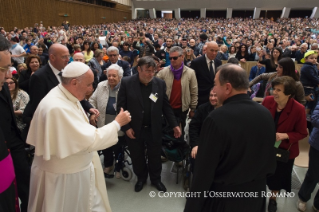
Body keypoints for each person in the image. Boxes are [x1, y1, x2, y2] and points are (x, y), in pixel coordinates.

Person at [26, 62, 131, 212]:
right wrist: (117, 123)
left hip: (75, 171)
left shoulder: (63, 95)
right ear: (74, 82)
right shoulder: (57, 107)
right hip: (64, 179)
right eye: (88, 85)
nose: (91, 89)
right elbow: (91, 140)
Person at [184, 64, 276, 212]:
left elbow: (204, 173)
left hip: (224, 199)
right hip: (256, 196)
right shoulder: (265, 113)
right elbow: (270, 157)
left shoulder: (216, 118)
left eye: (215, 84)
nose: (214, 90)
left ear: (227, 87)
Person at [117, 56, 181, 193]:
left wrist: (174, 124)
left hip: (154, 128)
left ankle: (156, 179)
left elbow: (166, 107)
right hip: (134, 129)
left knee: (155, 156)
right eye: (147, 71)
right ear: (138, 69)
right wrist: (126, 128)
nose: (151, 74)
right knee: (137, 156)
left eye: (153, 71)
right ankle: (141, 178)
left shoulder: (159, 84)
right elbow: (120, 108)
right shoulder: (127, 83)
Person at [22, 44, 97, 140]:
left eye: (68, 56)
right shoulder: (39, 77)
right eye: (64, 57)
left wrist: (89, 108)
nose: (67, 59)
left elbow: (73, 94)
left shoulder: (66, 71)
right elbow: (38, 105)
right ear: (52, 57)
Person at [262, 76, 308, 212]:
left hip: (283, 151)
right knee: (260, 174)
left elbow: (302, 133)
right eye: (274, 89)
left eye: (278, 90)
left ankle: (273, 199)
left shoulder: (298, 109)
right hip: (265, 148)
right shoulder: (267, 101)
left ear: (288, 93)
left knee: (278, 177)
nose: (274, 92)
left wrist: (285, 135)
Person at [0, 35, 30, 212]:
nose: (7, 76)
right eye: (3, 69)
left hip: (13, 146)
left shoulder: (3, 85)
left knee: (24, 187)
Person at [89, 64, 125, 179]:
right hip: (104, 121)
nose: (111, 78)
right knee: (106, 146)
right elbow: (92, 100)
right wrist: (93, 113)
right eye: (109, 75)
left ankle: (119, 165)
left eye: (114, 76)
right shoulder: (101, 85)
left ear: (120, 77)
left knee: (118, 145)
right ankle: (108, 165)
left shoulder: (125, 87)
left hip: (119, 123)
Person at [157, 46, 198, 137]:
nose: (172, 60)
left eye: (175, 58)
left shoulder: (190, 73)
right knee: (166, 134)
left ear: (182, 57)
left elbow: (194, 92)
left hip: (182, 109)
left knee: (180, 134)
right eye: (170, 58)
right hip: (166, 109)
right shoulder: (163, 72)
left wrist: (193, 108)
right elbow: (154, 91)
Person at [297, 98, 319, 212]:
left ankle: (317, 204)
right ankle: (303, 197)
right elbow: (314, 119)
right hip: (317, 145)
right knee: (313, 174)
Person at [189, 87, 221, 160]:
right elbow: (193, 127)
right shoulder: (202, 109)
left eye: (215, 95)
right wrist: (195, 145)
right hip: (202, 143)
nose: (212, 98)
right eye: (211, 95)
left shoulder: (226, 110)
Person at [190, 41, 222, 107]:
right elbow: (192, 83)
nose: (214, 53)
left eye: (216, 51)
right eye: (212, 50)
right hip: (200, 100)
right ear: (206, 50)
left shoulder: (219, 63)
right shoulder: (196, 63)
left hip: (215, 100)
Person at [300, 51, 319, 115]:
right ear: (306, 59)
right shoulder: (307, 67)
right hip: (307, 87)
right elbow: (313, 77)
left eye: (315, 58)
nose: (314, 60)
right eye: (312, 58)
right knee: (311, 100)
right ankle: (305, 114)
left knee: (314, 101)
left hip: (312, 87)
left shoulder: (313, 66)